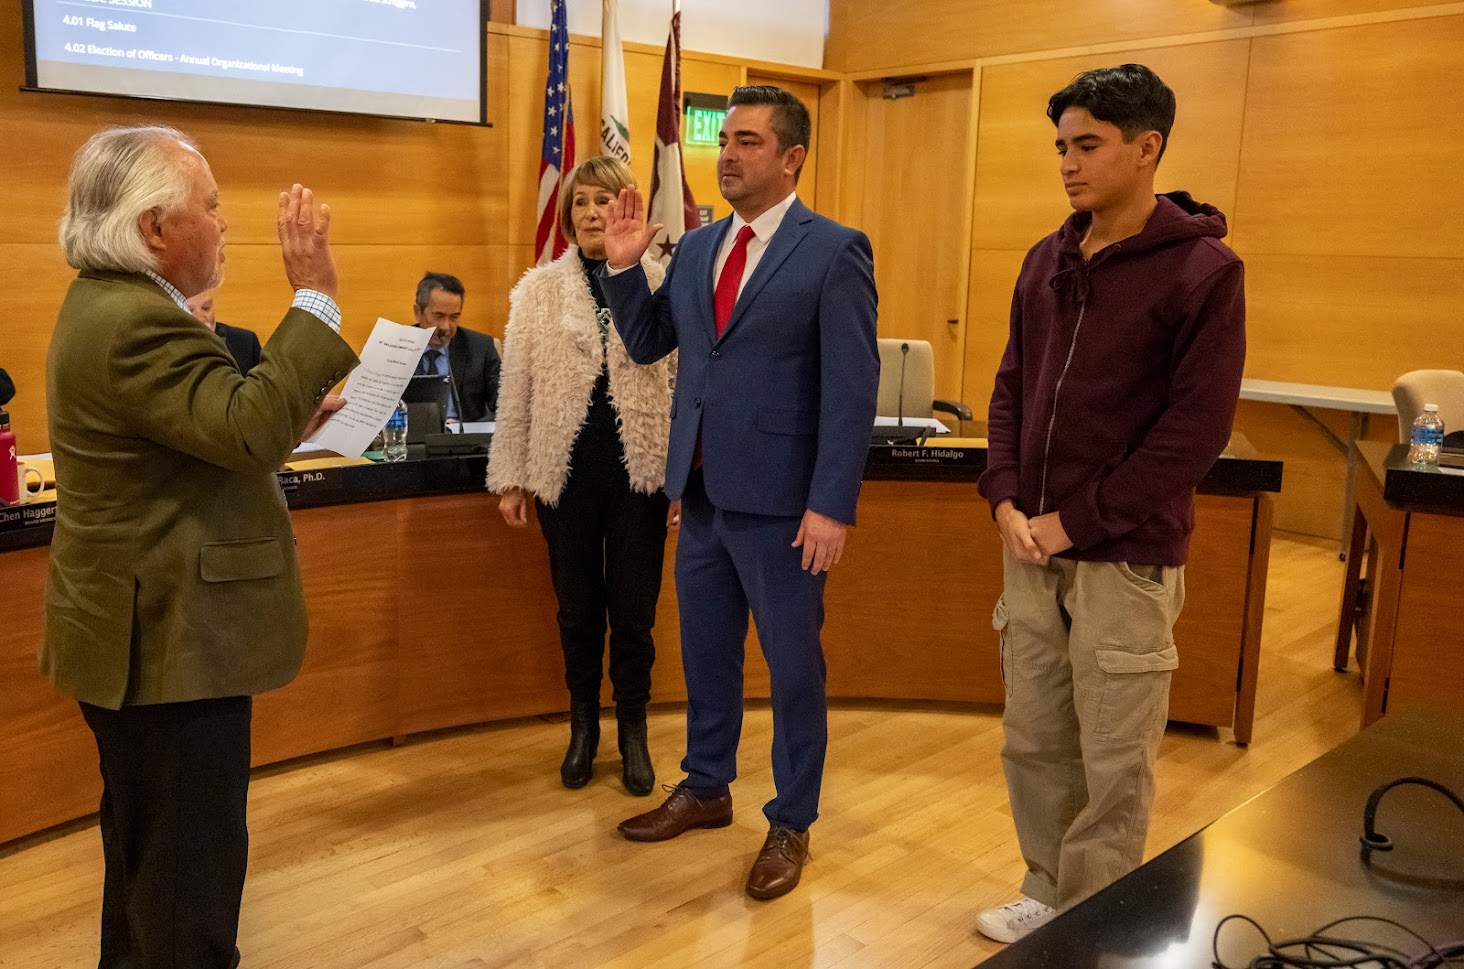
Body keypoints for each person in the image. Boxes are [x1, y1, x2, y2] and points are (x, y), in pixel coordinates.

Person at [43, 125, 359, 969]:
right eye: (210, 206)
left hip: (145, 640)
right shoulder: (138, 320)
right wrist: (317, 298)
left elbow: (210, 445)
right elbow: (248, 431)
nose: (223, 223)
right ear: (154, 228)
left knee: (148, 872)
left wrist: (284, 410)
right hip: (170, 647)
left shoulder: (110, 303)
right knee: (187, 893)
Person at [975, 64, 1246, 942]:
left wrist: (1073, 521)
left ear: (1147, 147)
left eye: (1087, 145)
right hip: (1029, 549)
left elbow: (1191, 436)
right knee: (1035, 741)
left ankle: (1091, 918)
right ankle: (1046, 889)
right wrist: (1006, 496)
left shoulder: (1204, 272)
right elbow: (1012, 384)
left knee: (1114, 756)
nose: (1068, 163)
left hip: (1124, 560)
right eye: (1061, 146)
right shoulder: (1045, 258)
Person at [600, 85, 879, 901]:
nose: (727, 154)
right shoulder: (694, 247)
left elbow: (851, 390)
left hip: (789, 508)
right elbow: (654, 343)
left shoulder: (835, 250)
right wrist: (622, 269)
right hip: (703, 496)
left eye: (749, 141)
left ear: (792, 157)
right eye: (724, 139)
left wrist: (832, 503)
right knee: (706, 655)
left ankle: (791, 819)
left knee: (793, 669)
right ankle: (707, 785)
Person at [487, 156, 677, 797]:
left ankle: (632, 733)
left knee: (633, 610)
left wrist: (683, 479)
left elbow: (681, 388)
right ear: (568, 216)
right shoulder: (536, 290)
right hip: (562, 476)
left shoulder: (662, 281)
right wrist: (510, 474)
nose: (592, 213)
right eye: (581, 203)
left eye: (604, 201)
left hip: (640, 476)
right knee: (576, 610)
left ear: (626, 207)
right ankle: (582, 728)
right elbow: (515, 390)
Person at [411, 271, 502, 422]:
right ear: (418, 312)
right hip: (408, 440)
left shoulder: (481, 348)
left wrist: (466, 430)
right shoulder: (395, 347)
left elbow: (505, 408)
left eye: (454, 317)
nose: (446, 326)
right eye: (438, 316)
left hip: (465, 442)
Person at [186, 287, 262, 374]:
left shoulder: (245, 342)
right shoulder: (168, 347)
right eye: (190, 311)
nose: (200, 318)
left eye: (206, 308)